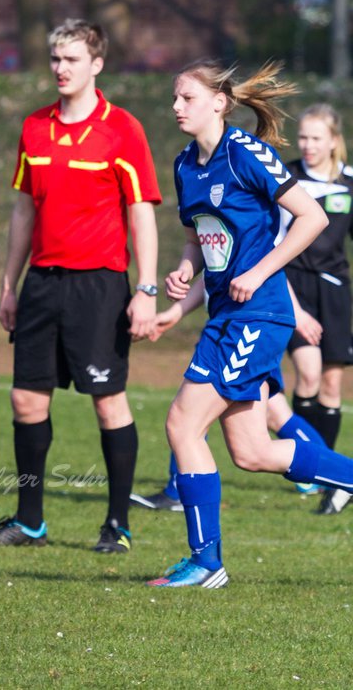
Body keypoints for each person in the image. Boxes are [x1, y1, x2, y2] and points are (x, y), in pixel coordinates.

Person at [147, 59, 353, 589]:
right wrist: (183, 273)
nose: (176, 107)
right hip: (226, 315)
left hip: (258, 314)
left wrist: (259, 271)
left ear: (219, 102)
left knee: (182, 424)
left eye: (186, 98)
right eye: (175, 98)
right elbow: (199, 236)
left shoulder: (246, 153)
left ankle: (206, 562)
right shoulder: (185, 165)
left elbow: (313, 217)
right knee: (252, 452)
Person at [0, 19, 161, 554]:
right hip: (42, 287)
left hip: (99, 286)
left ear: (96, 64)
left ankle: (117, 525)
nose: (60, 68)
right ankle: (30, 523)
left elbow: (141, 214)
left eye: (72, 59)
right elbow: (24, 212)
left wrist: (146, 290)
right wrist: (9, 286)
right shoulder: (34, 127)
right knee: (26, 400)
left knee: (108, 402)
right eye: (55, 58)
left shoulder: (122, 129)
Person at [131, 275, 331, 513]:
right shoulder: (208, 240)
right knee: (252, 430)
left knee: (191, 419)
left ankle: (334, 479)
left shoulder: (251, 239)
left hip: (246, 329)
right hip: (227, 327)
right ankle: (332, 478)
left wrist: (296, 312)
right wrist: (177, 311)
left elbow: (269, 258)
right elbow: (212, 269)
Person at [282, 104, 353, 513]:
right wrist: (298, 312)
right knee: (306, 375)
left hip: (335, 293)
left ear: (333, 140)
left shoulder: (348, 184)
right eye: (303, 137)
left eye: (315, 138)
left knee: (330, 385)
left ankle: (328, 472)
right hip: (294, 288)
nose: (307, 145)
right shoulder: (286, 179)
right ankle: (308, 468)